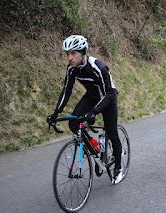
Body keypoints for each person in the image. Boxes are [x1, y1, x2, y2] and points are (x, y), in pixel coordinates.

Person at [47, 35, 123, 184]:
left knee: (112, 131)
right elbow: (66, 91)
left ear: (83, 53)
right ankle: (96, 148)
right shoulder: (72, 69)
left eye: (73, 53)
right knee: (74, 123)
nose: (70, 58)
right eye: (67, 54)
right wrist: (56, 113)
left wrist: (93, 112)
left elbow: (109, 93)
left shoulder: (98, 67)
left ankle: (118, 168)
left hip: (108, 97)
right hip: (92, 96)